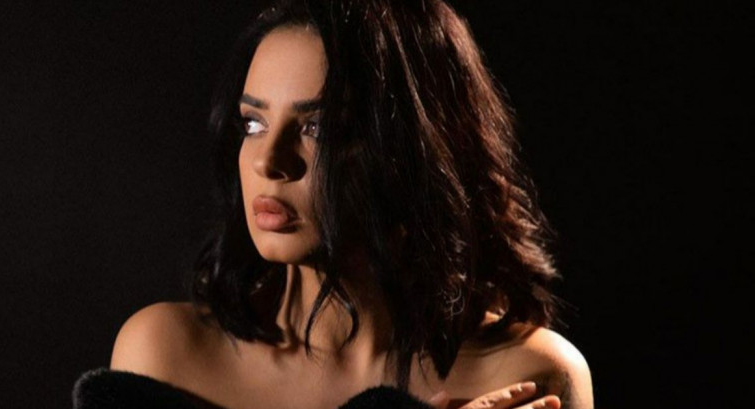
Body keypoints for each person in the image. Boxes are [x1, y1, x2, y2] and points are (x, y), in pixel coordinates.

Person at [105, 1, 594, 408]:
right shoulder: (165, 354)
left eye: (318, 128)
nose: (268, 162)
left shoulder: (529, 375)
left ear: (414, 151)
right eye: (253, 124)